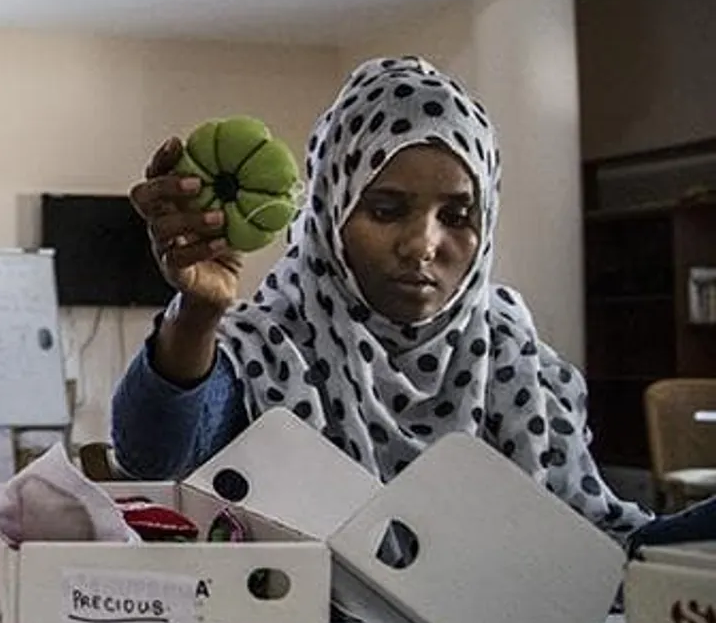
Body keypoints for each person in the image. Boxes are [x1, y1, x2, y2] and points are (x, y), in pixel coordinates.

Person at [110, 55, 655, 544]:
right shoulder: (271, 350)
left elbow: (599, 547)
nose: (422, 245)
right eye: (387, 210)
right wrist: (198, 315)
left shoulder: (518, 363)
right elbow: (152, 453)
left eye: (457, 216)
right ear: (330, 213)